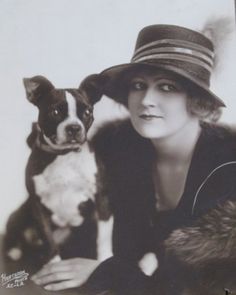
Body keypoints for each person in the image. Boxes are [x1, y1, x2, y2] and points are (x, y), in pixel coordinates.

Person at [31, 24, 236, 295]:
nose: (146, 99)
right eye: (138, 85)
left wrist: (106, 272)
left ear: (196, 101)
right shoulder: (110, 152)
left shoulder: (227, 169)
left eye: (167, 86)